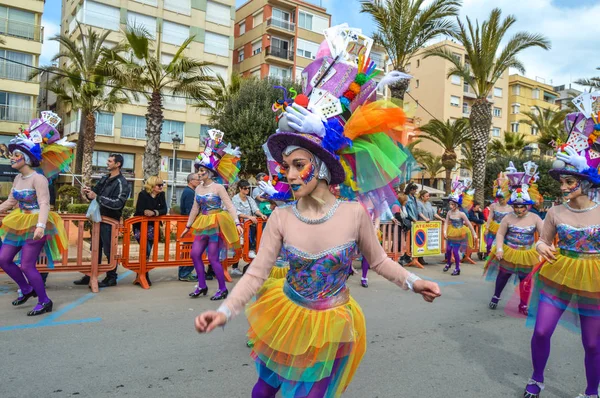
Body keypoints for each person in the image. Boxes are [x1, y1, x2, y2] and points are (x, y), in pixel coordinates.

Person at [193, 33, 441, 397]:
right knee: (261, 392)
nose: (289, 175)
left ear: (323, 167)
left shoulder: (354, 214)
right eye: (286, 166)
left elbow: (381, 260)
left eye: (298, 165)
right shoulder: (281, 218)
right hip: (287, 315)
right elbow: (257, 274)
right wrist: (226, 312)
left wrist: (413, 282)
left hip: (333, 325)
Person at [522, 108, 600, 398]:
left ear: (586, 182)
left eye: (570, 182)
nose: (565, 187)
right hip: (559, 273)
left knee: (593, 343)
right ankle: (537, 378)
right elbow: (542, 241)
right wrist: (541, 246)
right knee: (541, 331)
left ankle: (592, 391)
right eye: (562, 182)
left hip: (595, 279)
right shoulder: (554, 212)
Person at [0, 112, 72, 315]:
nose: (12, 158)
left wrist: (40, 226)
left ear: (27, 157)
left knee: (26, 265)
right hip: (18, 222)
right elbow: (10, 202)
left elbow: (44, 203)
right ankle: (26, 289)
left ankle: (44, 300)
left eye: (16, 155)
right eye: (12, 155)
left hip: (36, 224)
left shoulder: (38, 179)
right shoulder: (17, 179)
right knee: (3, 259)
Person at [181, 129, 243, 301]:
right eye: (198, 170)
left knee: (214, 258)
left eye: (202, 170)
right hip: (202, 224)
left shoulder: (218, 187)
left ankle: (222, 288)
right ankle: (202, 285)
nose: (199, 173)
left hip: (216, 224)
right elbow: (195, 208)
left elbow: (230, 205)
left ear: (209, 172)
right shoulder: (199, 188)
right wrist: (187, 226)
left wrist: (237, 223)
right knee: (195, 254)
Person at [483, 161, 543, 315]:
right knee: (503, 275)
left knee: (526, 280)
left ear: (528, 206)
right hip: (509, 251)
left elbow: (544, 236)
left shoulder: (536, 218)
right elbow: (501, 233)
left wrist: (542, 250)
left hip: (527, 253)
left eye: (521, 206)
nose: (518, 209)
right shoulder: (508, 218)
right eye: (516, 206)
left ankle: (523, 304)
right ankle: (496, 296)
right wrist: (500, 249)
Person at [74, 154, 130, 288]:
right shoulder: (105, 178)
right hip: (98, 219)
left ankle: (111, 278)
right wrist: (88, 192)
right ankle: (92, 274)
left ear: (118, 164)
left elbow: (118, 203)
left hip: (110, 221)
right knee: (95, 249)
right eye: (108, 160)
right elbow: (95, 193)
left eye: (110, 161)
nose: (107, 163)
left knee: (109, 250)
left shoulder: (122, 182)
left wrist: (97, 197)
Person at [133, 176, 167, 286]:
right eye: (159, 185)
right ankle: (143, 274)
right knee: (145, 249)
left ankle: (141, 274)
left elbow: (164, 210)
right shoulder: (143, 194)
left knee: (148, 249)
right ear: (152, 186)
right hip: (140, 226)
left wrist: (154, 212)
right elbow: (139, 210)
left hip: (153, 226)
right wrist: (146, 212)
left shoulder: (161, 195)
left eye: (162, 184)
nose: (161, 187)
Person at [444, 178, 478, 276]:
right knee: (448, 250)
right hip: (451, 232)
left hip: (459, 233)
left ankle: (457, 268)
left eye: (452, 204)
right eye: (450, 204)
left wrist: (474, 233)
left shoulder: (461, 214)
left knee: (455, 251)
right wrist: (445, 232)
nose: (450, 206)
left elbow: (469, 224)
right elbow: (446, 222)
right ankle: (448, 263)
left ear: (457, 205)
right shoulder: (449, 213)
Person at [232, 179, 267, 268]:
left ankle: (254, 250)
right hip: (240, 224)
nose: (247, 190)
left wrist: (261, 214)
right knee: (238, 247)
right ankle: (236, 265)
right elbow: (236, 212)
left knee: (260, 228)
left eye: (248, 188)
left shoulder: (249, 199)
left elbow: (255, 209)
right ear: (240, 189)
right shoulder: (235, 199)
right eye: (245, 188)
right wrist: (248, 217)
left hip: (250, 223)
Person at [178, 173, 200, 282]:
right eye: (197, 179)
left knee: (188, 250)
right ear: (191, 181)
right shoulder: (190, 193)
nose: (199, 181)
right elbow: (190, 211)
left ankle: (184, 272)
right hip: (190, 226)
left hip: (189, 225)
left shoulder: (190, 192)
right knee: (191, 250)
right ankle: (185, 272)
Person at [485, 173, 512, 256]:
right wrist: (487, 228)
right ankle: (489, 257)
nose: (501, 200)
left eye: (502, 199)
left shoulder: (510, 208)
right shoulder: (493, 206)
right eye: (499, 198)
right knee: (489, 244)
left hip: (504, 229)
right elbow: (490, 217)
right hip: (494, 227)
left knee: (501, 246)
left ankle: (497, 260)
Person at [417, 190, 445, 265]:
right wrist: (425, 219)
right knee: (421, 241)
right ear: (422, 196)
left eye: (429, 196)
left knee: (427, 241)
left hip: (429, 225)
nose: (428, 197)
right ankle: (419, 258)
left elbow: (434, 213)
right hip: (421, 224)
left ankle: (422, 257)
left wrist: (441, 218)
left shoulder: (429, 203)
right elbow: (419, 212)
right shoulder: (418, 203)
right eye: (427, 196)